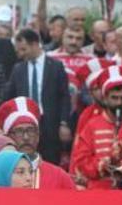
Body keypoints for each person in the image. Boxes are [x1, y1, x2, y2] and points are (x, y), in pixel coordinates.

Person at [4, 29, 71, 165]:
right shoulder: (18, 69)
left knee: (51, 162)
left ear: (35, 44)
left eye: (23, 49)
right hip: (26, 123)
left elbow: (64, 96)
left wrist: (64, 123)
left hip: (50, 123)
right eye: (19, 50)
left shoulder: (56, 66)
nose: (21, 54)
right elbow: (8, 95)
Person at [71, 66, 122, 189]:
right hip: (99, 190)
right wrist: (101, 165)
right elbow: (81, 161)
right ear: (105, 98)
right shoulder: (92, 125)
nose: (119, 103)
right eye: (114, 98)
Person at [0, 97, 75, 189]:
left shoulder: (59, 177)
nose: (26, 137)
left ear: (38, 136)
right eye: (19, 131)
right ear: (7, 137)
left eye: (31, 131)